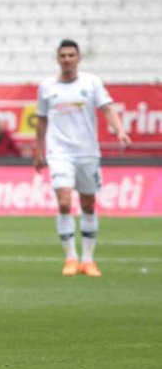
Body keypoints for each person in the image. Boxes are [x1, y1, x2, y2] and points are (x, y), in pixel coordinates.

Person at [35, 40, 131, 277]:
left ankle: (88, 260)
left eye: (71, 55)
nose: (67, 59)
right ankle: (70, 258)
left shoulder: (91, 82)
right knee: (65, 202)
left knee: (88, 204)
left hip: (87, 152)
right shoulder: (47, 87)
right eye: (63, 55)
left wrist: (119, 129)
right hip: (59, 153)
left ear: (78, 58)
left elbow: (107, 108)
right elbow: (41, 120)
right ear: (58, 59)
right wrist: (38, 151)